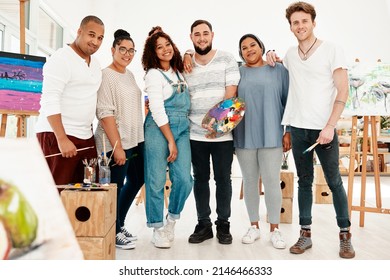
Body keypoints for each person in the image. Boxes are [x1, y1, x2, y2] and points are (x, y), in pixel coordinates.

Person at [267, 1, 355, 258]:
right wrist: (272, 54)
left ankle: (345, 235)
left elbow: (343, 90)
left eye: (304, 21)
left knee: (334, 182)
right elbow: (290, 82)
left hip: (323, 130)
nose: (300, 26)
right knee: (304, 182)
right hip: (298, 128)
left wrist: (330, 126)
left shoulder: (332, 50)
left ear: (313, 23)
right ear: (291, 27)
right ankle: (305, 234)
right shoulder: (291, 54)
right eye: (295, 22)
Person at [183, 20, 240, 245]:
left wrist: (218, 127)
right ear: (191, 38)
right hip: (194, 134)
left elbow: (231, 95)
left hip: (222, 135)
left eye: (205, 33)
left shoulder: (226, 59)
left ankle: (223, 224)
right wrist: (187, 54)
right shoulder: (185, 63)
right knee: (200, 179)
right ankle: (203, 224)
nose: (201, 38)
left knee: (224, 179)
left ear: (212, 35)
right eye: (197, 34)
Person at [234, 34, 290, 249]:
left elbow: (289, 101)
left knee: (271, 181)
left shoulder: (278, 71)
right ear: (241, 53)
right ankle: (254, 226)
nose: (249, 49)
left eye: (253, 45)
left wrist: (289, 132)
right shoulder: (238, 74)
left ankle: (275, 229)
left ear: (261, 47)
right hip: (244, 135)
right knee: (249, 181)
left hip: (272, 134)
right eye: (244, 47)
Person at [35, 15, 104, 185]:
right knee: (57, 195)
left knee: (85, 197)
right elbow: (50, 100)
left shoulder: (95, 64)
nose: (95, 41)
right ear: (79, 31)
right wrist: (62, 138)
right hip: (58, 135)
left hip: (86, 138)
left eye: (100, 38)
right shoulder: (61, 59)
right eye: (91, 35)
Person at [141, 26, 193, 249]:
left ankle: (172, 218)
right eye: (159, 47)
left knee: (184, 178)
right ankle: (157, 227)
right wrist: (170, 140)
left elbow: (192, 52)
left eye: (167, 45)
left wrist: (189, 53)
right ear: (153, 52)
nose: (164, 50)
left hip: (183, 127)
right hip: (158, 126)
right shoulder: (153, 74)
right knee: (156, 180)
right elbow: (157, 109)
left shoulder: (180, 70)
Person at [95, 29, 144, 250]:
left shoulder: (129, 74)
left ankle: (119, 224)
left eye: (131, 50)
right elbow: (105, 113)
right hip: (114, 143)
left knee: (137, 178)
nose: (127, 54)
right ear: (113, 50)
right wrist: (117, 148)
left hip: (133, 140)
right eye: (122, 49)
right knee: (114, 187)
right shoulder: (105, 75)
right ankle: (112, 233)